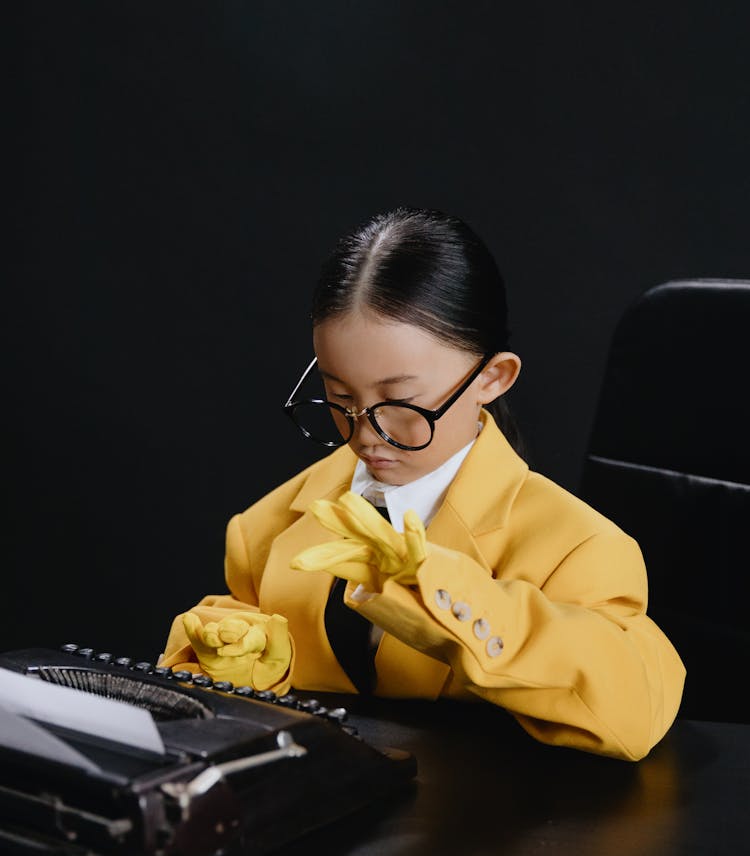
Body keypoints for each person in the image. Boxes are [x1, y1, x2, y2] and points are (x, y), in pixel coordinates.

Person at [160, 207, 685, 761]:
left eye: (401, 404)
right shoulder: (267, 526)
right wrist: (237, 663)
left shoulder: (581, 548)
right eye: (340, 400)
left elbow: (635, 714)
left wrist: (441, 592)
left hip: (488, 834)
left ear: (492, 377)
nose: (366, 435)